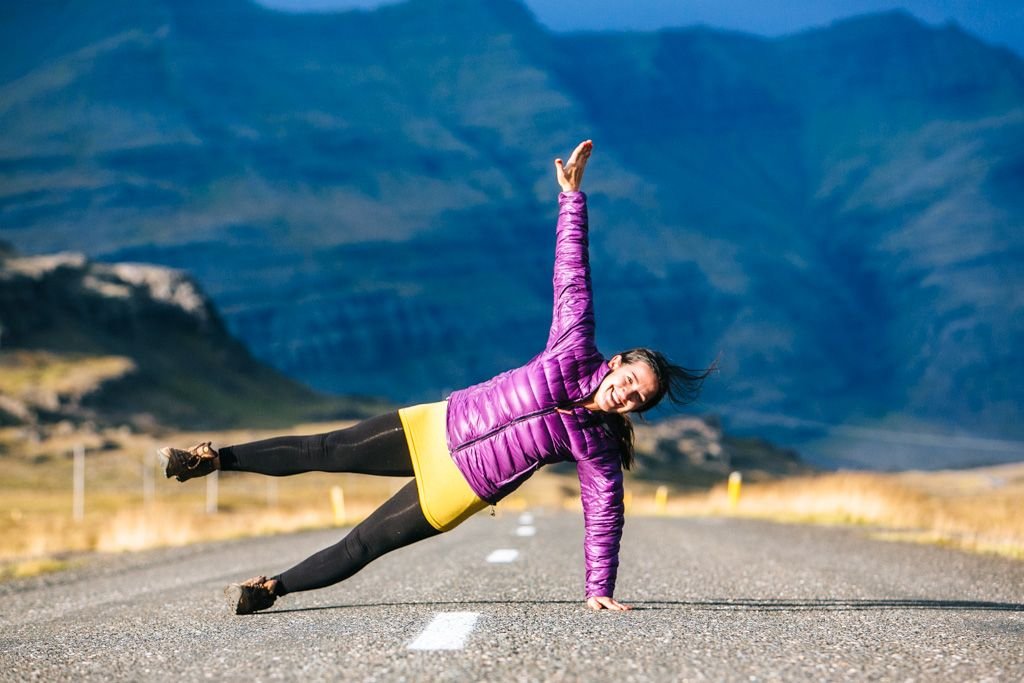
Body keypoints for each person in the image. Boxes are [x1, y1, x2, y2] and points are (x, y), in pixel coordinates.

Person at [160, 140, 712, 615]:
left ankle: (270, 589)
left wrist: (599, 587)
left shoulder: (597, 446)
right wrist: (572, 198)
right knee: (322, 448)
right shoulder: (572, 347)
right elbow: (573, 272)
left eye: (638, 400)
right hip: (437, 425)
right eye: (630, 380)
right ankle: (209, 459)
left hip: (462, 485)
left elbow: (605, 511)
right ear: (614, 362)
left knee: (364, 544)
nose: (627, 395)